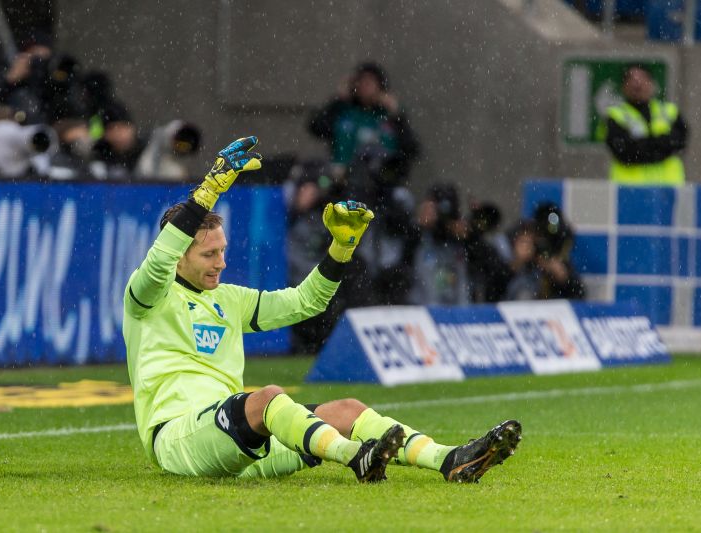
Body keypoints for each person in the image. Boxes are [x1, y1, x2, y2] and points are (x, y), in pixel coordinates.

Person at [123, 136, 522, 483]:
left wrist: (341, 249)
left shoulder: (228, 299)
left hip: (239, 444)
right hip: (178, 439)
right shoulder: (146, 296)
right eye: (210, 254)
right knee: (267, 398)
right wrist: (208, 190)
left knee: (347, 410)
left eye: (223, 251)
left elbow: (306, 302)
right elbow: (158, 262)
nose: (221, 262)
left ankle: (448, 458)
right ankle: (354, 456)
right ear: (179, 256)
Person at [308, 62, 420, 206]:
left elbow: (412, 149)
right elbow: (316, 128)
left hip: (381, 188)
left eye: (370, 82)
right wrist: (337, 100)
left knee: (403, 200)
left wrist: (397, 115)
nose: (365, 86)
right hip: (340, 185)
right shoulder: (344, 112)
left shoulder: (389, 118)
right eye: (361, 81)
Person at [603, 65, 688, 186]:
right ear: (623, 86)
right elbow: (624, 151)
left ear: (652, 84)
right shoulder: (615, 115)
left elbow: (679, 142)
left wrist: (642, 144)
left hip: (667, 191)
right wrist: (660, 144)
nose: (637, 85)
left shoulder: (669, 111)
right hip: (629, 191)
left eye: (642, 79)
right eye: (632, 80)